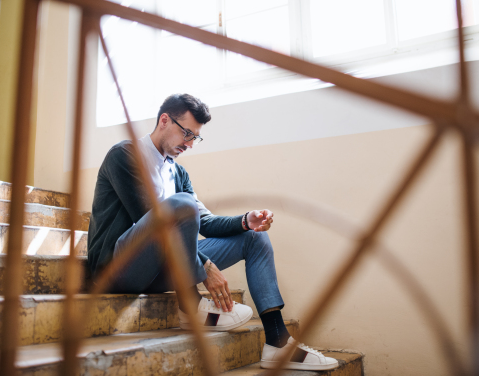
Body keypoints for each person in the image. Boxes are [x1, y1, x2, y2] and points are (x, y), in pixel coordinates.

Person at [87, 93, 338, 371]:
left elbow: (204, 221)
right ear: (164, 120)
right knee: (181, 205)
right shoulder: (124, 155)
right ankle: (190, 304)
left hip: (161, 267)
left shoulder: (178, 173)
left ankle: (278, 343)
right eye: (187, 134)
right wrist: (205, 265)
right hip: (120, 267)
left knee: (254, 238)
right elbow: (151, 221)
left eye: (196, 138)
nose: (190, 144)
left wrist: (245, 221)